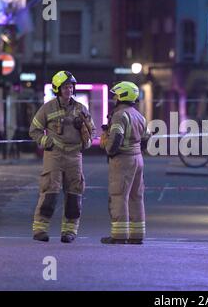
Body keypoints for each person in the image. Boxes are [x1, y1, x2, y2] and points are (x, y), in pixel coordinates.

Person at [29, 71, 96, 243]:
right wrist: (46, 141)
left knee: (74, 194)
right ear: (57, 89)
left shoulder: (81, 109)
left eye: (71, 87)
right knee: (50, 192)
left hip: (75, 156)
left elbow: (92, 130)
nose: (69, 90)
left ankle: (69, 231)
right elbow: (34, 130)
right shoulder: (47, 108)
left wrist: (86, 139)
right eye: (65, 87)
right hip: (55, 155)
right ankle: (40, 229)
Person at [100, 81, 151, 245]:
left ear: (122, 96)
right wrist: (137, 150)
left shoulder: (120, 115)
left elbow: (115, 139)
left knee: (119, 195)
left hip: (123, 160)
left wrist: (108, 149)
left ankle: (119, 235)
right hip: (138, 158)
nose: (114, 99)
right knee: (136, 196)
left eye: (115, 95)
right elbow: (146, 137)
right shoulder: (139, 115)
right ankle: (137, 235)